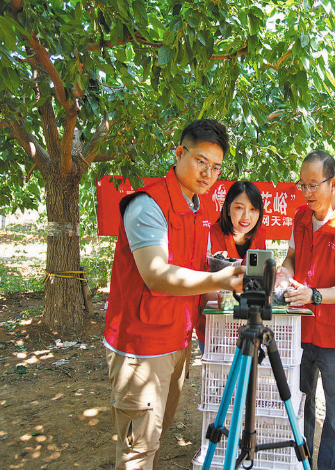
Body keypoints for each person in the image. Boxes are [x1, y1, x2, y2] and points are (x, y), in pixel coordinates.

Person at [103, 119, 245, 469]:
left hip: (176, 342)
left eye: (215, 167)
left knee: (154, 436)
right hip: (142, 348)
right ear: (179, 152)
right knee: (138, 450)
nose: (208, 173)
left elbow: (195, 270)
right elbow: (157, 276)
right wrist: (223, 280)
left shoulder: (198, 208)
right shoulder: (147, 205)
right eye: (200, 161)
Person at [276, 150, 335, 470]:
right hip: (299, 330)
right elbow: (290, 257)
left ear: (334, 183)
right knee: (299, 404)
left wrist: (313, 295)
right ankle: (299, 464)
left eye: (315, 185)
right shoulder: (301, 217)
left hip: (331, 335)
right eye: (303, 185)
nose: (308, 193)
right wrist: (285, 272)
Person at [196, 181, 266, 353]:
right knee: (218, 378)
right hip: (213, 326)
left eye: (253, 209)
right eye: (239, 208)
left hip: (248, 326)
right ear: (227, 208)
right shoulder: (210, 235)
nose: (246, 217)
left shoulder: (260, 236)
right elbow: (201, 284)